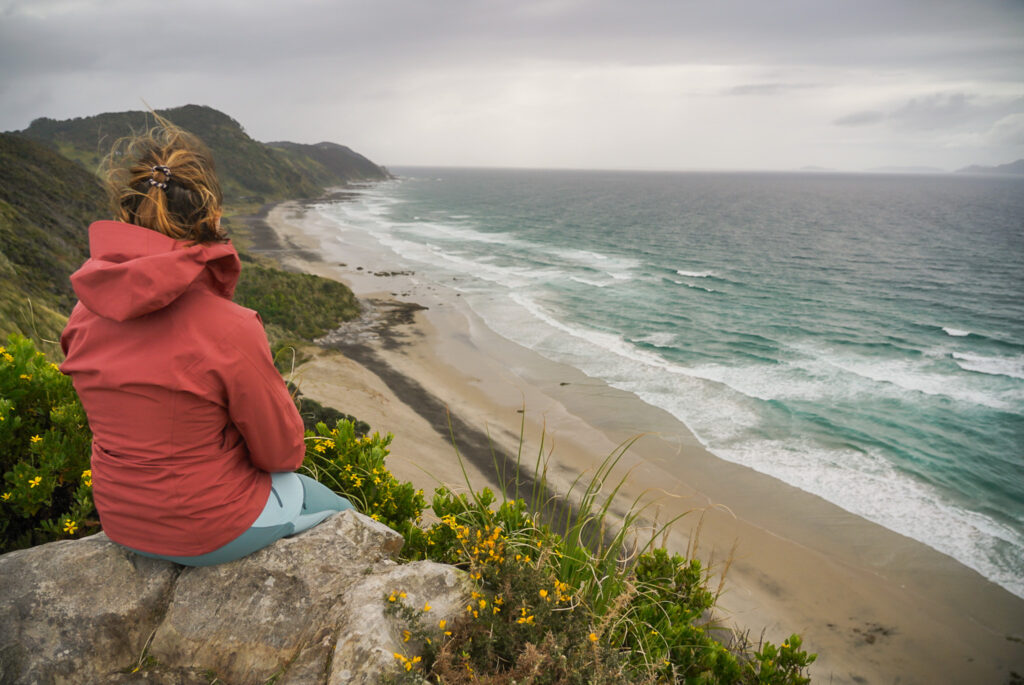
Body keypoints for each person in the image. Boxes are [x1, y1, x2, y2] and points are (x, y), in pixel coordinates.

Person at [60, 115, 352, 566]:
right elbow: (284, 452)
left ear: (129, 216)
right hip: (209, 528)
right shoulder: (230, 327)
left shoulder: (82, 315)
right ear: (212, 218)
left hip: (120, 521)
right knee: (339, 512)